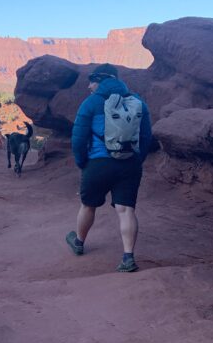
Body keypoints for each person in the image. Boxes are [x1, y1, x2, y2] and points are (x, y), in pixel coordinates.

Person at [65, 64, 152, 273]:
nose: (89, 86)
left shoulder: (91, 103)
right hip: (129, 163)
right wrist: (137, 160)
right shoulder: (137, 102)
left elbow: (78, 138)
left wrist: (82, 162)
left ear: (100, 80)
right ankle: (128, 258)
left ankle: (78, 242)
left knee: (88, 205)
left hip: (98, 163)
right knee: (126, 210)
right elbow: (146, 136)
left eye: (92, 81)